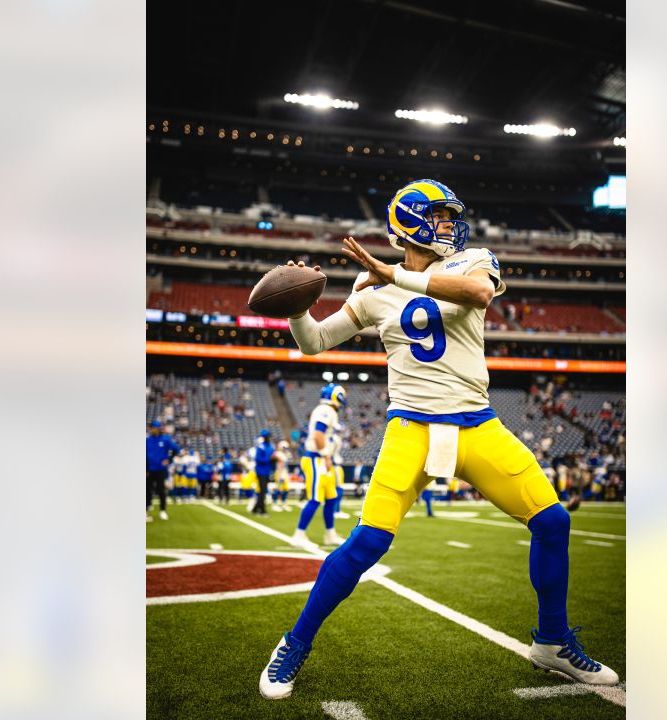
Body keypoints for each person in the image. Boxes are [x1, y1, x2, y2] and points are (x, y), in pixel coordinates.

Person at [259, 179, 618, 700]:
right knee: (367, 543)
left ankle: (553, 642)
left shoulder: (473, 261)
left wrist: (396, 275)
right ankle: (293, 644)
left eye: (452, 217)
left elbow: (476, 295)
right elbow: (314, 343)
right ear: (411, 221)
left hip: (478, 425)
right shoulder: (375, 294)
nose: (452, 225)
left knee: (553, 521)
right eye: (441, 217)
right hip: (412, 429)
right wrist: (297, 308)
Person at [291, 383, 347, 548]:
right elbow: (318, 435)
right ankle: (298, 535)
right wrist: (326, 456)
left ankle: (330, 535)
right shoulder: (326, 410)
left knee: (331, 498)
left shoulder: (327, 411)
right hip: (317, 459)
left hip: (321, 459)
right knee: (315, 499)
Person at [146, 421, 178, 521]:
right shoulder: (147, 440)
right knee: (147, 490)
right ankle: (146, 510)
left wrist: (169, 459)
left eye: (154, 427)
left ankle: (163, 510)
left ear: (159, 428)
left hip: (161, 470)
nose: (152, 429)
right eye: (151, 427)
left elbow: (176, 449)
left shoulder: (165, 439)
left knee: (161, 490)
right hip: (149, 470)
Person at [251, 429, 276, 516]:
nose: (269, 438)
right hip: (261, 471)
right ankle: (262, 509)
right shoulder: (261, 447)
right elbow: (258, 459)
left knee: (263, 490)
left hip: (267, 471)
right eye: (268, 436)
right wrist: (269, 459)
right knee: (263, 491)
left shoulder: (270, 447)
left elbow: (273, 458)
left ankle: (255, 509)